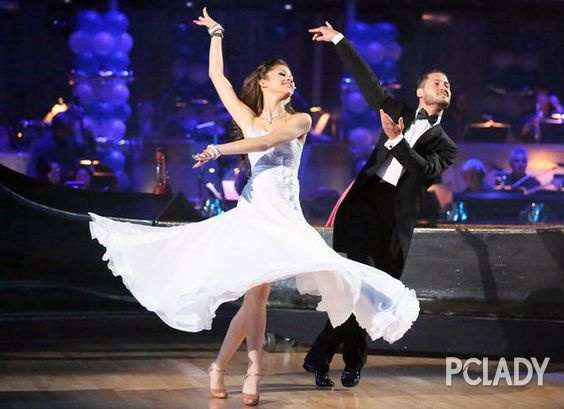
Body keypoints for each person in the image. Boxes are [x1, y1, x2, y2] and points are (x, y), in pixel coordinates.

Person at [88, 9, 419, 406]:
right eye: (281, 74)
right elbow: (217, 78)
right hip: (253, 217)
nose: (289, 79)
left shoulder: (299, 120)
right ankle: (251, 372)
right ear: (263, 81)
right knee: (256, 299)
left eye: (291, 75)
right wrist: (216, 33)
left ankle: (220, 367)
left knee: (306, 286)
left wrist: (219, 149)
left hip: (285, 221)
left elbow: (264, 142)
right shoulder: (248, 117)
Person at [303, 22, 457, 388]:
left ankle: (319, 354)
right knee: (353, 287)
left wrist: (398, 141)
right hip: (363, 207)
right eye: (438, 82)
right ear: (420, 91)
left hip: (395, 220)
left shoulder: (446, 145)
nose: (444, 87)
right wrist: (339, 40)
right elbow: (368, 82)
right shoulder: (398, 109)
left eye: (448, 85)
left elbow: (422, 171)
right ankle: (351, 363)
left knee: (371, 294)